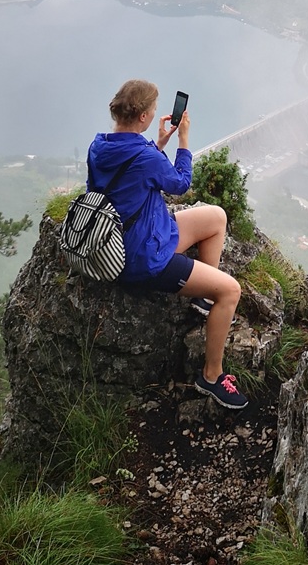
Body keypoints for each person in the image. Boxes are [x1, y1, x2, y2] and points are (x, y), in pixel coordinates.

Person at [87, 78, 247, 410]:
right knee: (231, 291)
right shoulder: (143, 155)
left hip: (135, 236)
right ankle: (212, 377)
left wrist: (158, 144)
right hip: (143, 259)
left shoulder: (99, 145)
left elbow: (126, 179)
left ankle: (204, 298)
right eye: (154, 110)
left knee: (215, 217)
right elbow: (180, 185)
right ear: (144, 116)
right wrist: (183, 140)